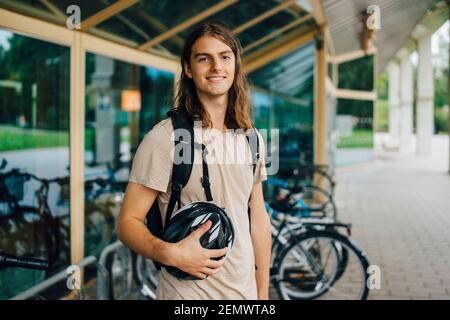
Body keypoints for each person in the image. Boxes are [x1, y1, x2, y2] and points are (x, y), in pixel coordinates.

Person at [116, 22, 271, 300]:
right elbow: (127, 222)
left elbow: (258, 218)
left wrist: (262, 291)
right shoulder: (165, 138)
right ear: (188, 69)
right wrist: (170, 253)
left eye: (225, 57)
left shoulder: (252, 137)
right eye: (204, 58)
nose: (216, 67)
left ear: (235, 65)